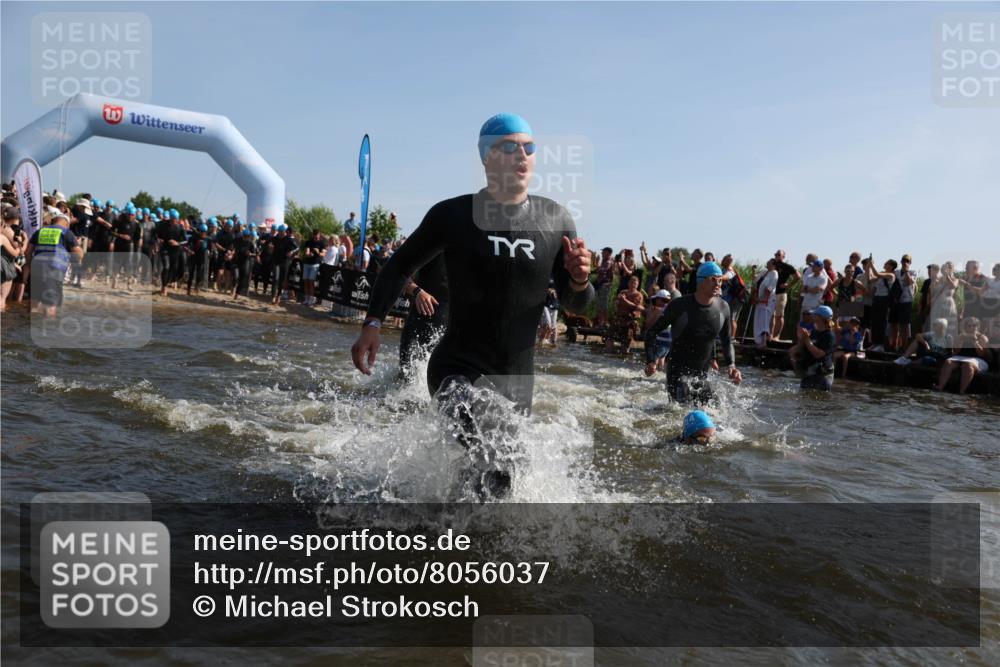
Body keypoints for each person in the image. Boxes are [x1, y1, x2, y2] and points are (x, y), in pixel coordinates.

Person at [351, 113, 594, 501]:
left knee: (498, 483)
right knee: (493, 460)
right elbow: (398, 265)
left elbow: (577, 304)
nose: (522, 154)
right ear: (486, 157)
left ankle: (456, 535)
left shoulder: (556, 219)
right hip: (456, 370)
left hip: (516, 382)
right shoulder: (454, 215)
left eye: (529, 147)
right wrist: (373, 323)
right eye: (509, 146)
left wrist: (580, 279)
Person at [643, 261, 742, 405]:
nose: (718, 283)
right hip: (677, 375)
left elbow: (727, 341)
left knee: (716, 411)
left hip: (701, 376)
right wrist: (651, 360)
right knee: (681, 414)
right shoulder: (679, 305)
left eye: (720, 279)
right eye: (713, 279)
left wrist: (731, 366)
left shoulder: (723, 308)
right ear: (701, 281)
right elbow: (651, 333)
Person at [398, 254, 449, 381]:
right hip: (419, 321)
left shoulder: (472, 247)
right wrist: (416, 291)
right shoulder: (432, 240)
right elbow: (398, 272)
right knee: (406, 378)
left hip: (449, 327)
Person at [23, 212, 84, 317]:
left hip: (36, 268)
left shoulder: (40, 231)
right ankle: (48, 329)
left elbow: (28, 252)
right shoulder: (66, 232)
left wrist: (29, 265)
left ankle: (28, 327)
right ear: (67, 223)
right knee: (50, 304)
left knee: (34, 301)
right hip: (53, 270)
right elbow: (78, 253)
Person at [935, 316, 991, 394]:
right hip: (961, 357)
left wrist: (975, 342)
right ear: (966, 327)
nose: (972, 328)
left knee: (967, 365)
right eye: (969, 325)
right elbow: (956, 351)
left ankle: (962, 391)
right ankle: (940, 386)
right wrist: (961, 340)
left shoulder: (982, 338)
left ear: (978, 327)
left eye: (974, 325)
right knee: (948, 362)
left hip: (978, 359)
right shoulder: (961, 336)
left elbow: (982, 354)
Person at [790, 305, 836, 391]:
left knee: (819, 399)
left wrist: (807, 340)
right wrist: (802, 340)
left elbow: (818, 354)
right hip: (810, 371)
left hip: (823, 375)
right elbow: (799, 349)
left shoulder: (829, 336)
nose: (812, 316)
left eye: (815, 314)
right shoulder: (813, 332)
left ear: (821, 318)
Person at [865, 258, 897, 351]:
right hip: (877, 299)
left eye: (886, 263)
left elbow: (877, 274)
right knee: (874, 321)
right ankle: (875, 343)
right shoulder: (882, 275)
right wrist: (868, 267)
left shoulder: (891, 275)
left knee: (882, 322)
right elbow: (870, 279)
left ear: (891, 266)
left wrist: (871, 265)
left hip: (884, 300)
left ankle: (881, 344)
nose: (884, 264)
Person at [607, 274, 644, 354]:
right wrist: (618, 301)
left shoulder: (638, 295)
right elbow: (617, 302)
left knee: (626, 342)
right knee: (610, 337)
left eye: (634, 283)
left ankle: (624, 355)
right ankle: (609, 353)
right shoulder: (623, 292)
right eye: (631, 282)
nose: (632, 284)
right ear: (628, 283)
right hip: (619, 318)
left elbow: (636, 306)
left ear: (637, 284)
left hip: (630, 320)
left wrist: (625, 301)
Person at [771, 249, 800, 341]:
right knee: (771, 315)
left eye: (779, 254)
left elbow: (798, 276)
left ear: (783, 256)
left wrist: (789, 285)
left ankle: (777, 336)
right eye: (776, 254)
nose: (776, 256)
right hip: (771, 293)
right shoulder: (772, 265)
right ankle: (770, 335)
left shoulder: (787, 266)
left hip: (781, 293)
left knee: (779, 315)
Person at [889, 254, 916, 352]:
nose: (905, 262)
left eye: (907, 261)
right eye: (904, 260)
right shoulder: (895, 272)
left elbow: (909, 282)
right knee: (893, 323)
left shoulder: (912, 272)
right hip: (896, 301)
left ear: (910, 263)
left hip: (906, 301)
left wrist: (906, 271)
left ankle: (904, 347)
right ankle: (893, 346)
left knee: (904, 325)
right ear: (900, 261)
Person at [1, 208, 26, 310]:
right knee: (2, 297)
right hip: (3, 266)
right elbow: (16, 253)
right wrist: (24, 242)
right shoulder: (3, 236)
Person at [643, 289, 673, 372]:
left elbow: (648, 325)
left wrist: (650, 312)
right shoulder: (670, 309)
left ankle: (648, 376)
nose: (654, 302)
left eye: (655, 299)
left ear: (659, 299)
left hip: (661, 341)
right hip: (669, 342)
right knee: (661, 359)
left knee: (653, 362)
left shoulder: (659, 310)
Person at [752, 259, 778, 348]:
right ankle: (758, 341)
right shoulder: (764, 272)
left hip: (768, 300)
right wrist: (753, 271)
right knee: (758, 320)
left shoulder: (774, 273)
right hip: (759, 299)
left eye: (769, 262)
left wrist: (763, 299)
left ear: (773, 265)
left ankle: (764, 342)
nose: (767, 263)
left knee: (764, 321)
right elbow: (755, 281)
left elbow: (771, 287)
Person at [719, 254, 746, 338]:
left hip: (734, 299)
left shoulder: (730, 270)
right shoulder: (723, 269)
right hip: (727, 298)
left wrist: (716, 277)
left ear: (728, 261)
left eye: (724, 259)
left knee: (732, 318)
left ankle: (732, 338)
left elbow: (727, 277)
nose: (722, 261)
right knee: (727, 317)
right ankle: (725, 336)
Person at [799, 260, 829, 324]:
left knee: (813, 323)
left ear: (820, 268)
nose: (812, 267)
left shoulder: (823, 278)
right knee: (803, 323)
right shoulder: (809, 277)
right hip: (805, 304)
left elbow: (817, 290)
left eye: (814, 266)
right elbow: (802, 290)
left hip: (815, 305)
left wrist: (807, 289)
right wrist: (811, 289)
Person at [301, 228, 326, 306]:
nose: (316, 237)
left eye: (317, 235)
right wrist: (308, 254)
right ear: (313, 235)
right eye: (314, 235)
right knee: (306, 281)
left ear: (319, 235)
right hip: (307, 263)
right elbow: (307, 252)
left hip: (315, 264)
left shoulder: (322, 243)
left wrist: (318, 252)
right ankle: (306, 299)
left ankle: (311, 299)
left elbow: (323, 254)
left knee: (311, 281)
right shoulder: (309, 242)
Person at [185, 223, 210, 295]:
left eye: (204, 232)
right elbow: (187, 246)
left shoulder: (208, 239)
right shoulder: (194, 237)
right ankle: (189, 289)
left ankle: (197, 287)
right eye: (201, 231)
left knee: (199, 274)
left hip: (201, 259)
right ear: (199, 231)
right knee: (191, 273)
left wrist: (209, 253)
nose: (203, 233)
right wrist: (190, 251)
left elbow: (209, 249)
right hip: (193, 257)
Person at [593, 246, 614, 327]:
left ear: (608, 253)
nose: (601, 253)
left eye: (603, 252)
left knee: (603, 304)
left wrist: (596, 262)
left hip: (605, 285)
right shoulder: (604, 261)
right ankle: (600, 322)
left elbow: (602, 270)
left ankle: (605, 322)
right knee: (599, 304)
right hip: (600, 285)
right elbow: (598, 271)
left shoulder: (608, 261)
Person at [537, 279, 560, 347]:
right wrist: (548, 290)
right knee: (548, 324)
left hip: (555, 307)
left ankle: (553, 342)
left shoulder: (559, 280)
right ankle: (542, 340)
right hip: (546, 306)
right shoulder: (547, 279)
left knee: (553, 326)